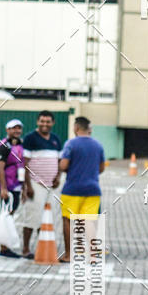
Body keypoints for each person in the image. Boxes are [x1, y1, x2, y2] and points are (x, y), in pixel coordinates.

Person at [58, 116, 105, 263]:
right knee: (89, 222)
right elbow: (101, 168)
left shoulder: (70, 144)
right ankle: (93, 256)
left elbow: (63, 165)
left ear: (76, 128)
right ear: (88, 129)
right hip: (92, 189)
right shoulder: (98, 145)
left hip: (72, 189)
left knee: (68, 221)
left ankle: (68, 255)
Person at [21, 110, 62, 259]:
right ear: (37, 122)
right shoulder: (30, 138)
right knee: (32, 217)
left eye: (48, 121)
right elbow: (24, 164)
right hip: (35, 183)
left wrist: (58, 177)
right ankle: (25, 248)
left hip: (51, 186)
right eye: (42, 121)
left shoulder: (56, 139)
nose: (45, 124)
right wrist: (28, 186)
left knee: (46, 217)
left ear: (53, 123)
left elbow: (59, 161)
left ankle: (43, 247)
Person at [0, 119, 25, 258]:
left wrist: (24, 187)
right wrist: (3, 188)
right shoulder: (4, 146)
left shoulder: (20, 144)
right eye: (13, 128)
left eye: (19, 128)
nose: (17, 131)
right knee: (6, 215)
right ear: (7, 130)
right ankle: (4, 247)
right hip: (7, 187)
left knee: (10, 214)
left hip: (16, 185)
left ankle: (5, 244)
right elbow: (0, 168)